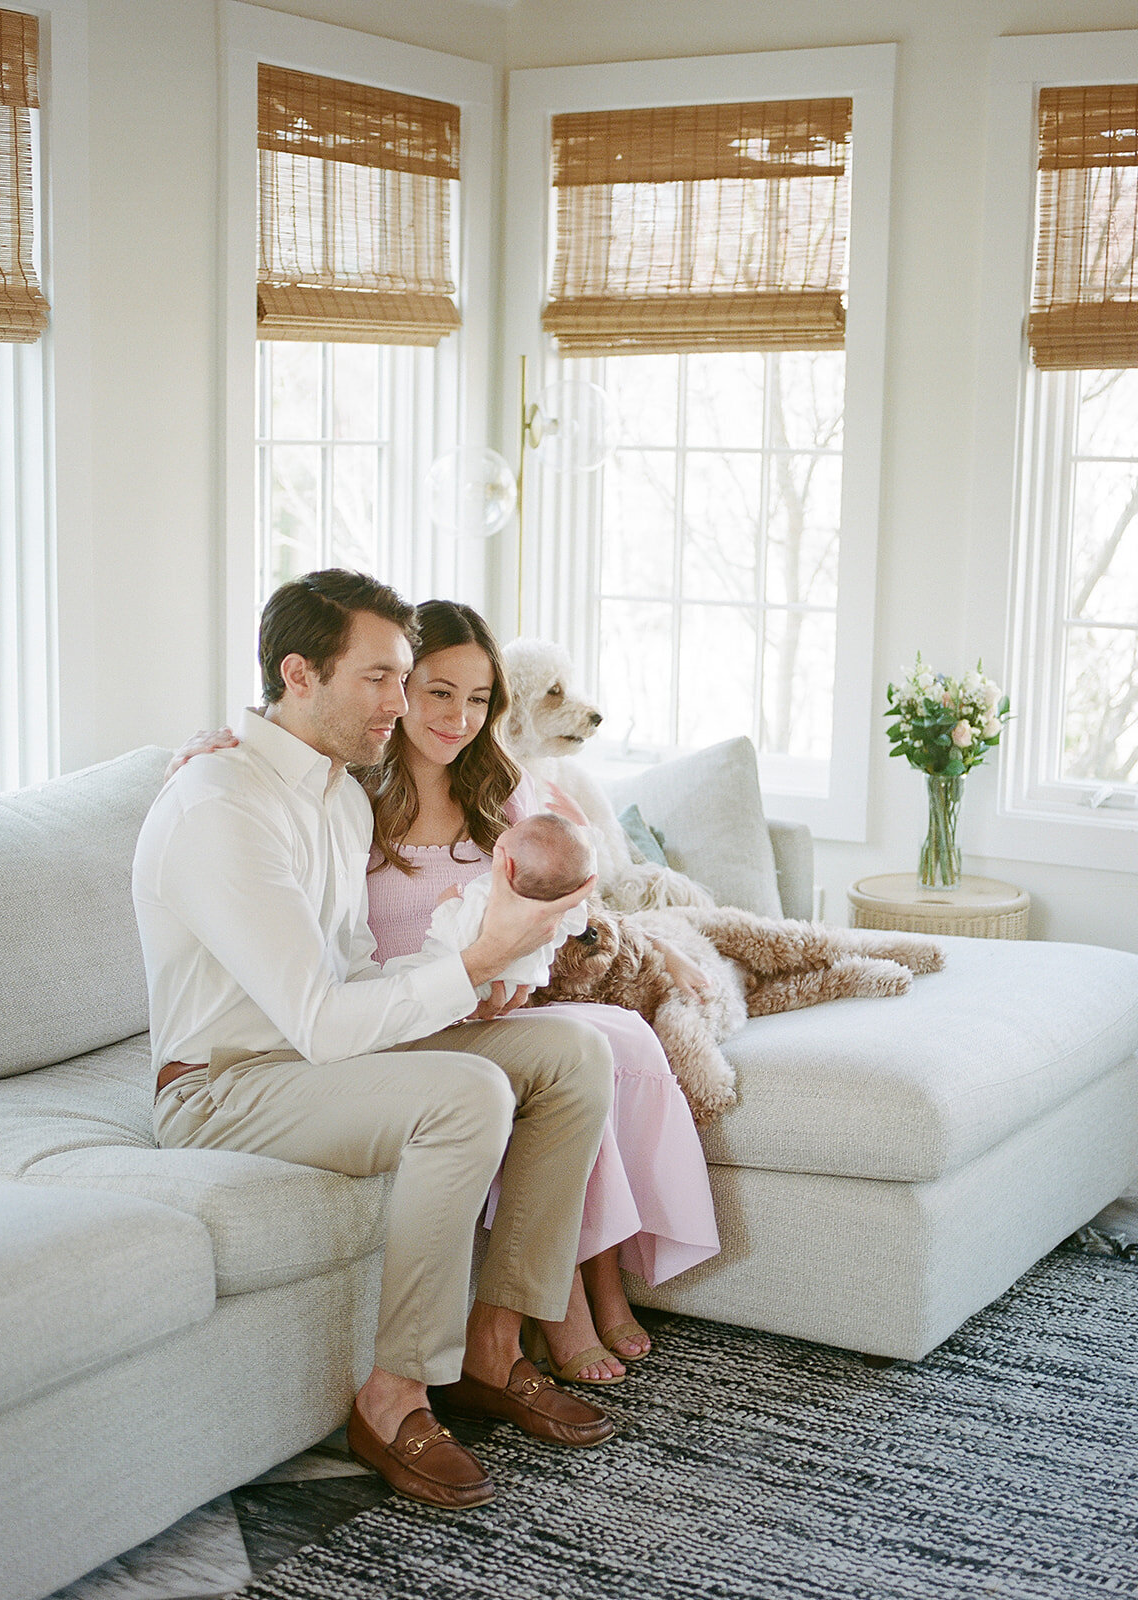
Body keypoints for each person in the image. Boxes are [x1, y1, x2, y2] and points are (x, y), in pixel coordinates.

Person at [134, 569, 620, 1515]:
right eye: (380, 679)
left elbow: (352, 976)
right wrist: (475, 956)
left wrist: (468, 986)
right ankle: (394, 1395)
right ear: (298, 675)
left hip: (319, 1062)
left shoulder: (342, 798)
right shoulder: (221, 804)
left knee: (571, 1054)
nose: (402, 703)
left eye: (408, 677)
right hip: (224, 1086)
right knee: (467, 1095)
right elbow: (314, 1020)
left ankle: (493, 1344)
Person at [171, 596, 720, 1387]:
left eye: (477, 699)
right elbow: (325, 1009)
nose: (443, 713)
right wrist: (211, 744)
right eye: (419, 688)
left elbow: (556, 902)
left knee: (587, 1048)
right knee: (484, 1088)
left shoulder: (439, 795)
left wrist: (508, 972)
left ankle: (519, 1327)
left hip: (432, 999)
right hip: (340, 1035)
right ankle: (456, 1362)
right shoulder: (329, 792)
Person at [424, 812, 594, 1003]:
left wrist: (447, 905)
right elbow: (578, 919)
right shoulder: (561, 908)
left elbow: (456, 938)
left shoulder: (487, 894)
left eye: (514, 829)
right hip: (517, 984)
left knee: (400, 975)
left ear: (508, 866)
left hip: (469, 986)